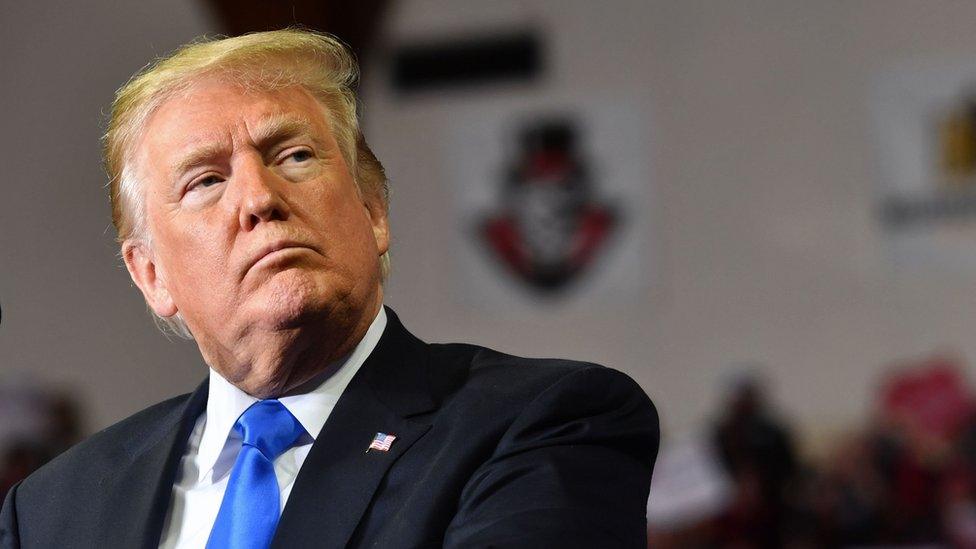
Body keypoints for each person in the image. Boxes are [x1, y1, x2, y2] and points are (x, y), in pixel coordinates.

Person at [0, 29, 659, 548]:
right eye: (205, 181)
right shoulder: (53, 509)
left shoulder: (543, 423)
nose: (259, 197)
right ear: (151, 274)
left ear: (373, 212)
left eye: (294, 156)